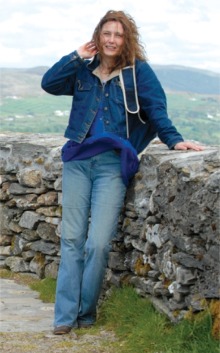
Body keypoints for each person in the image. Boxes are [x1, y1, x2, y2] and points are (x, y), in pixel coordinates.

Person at [41, 10, 204, 335]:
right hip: (76, 160)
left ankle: (85, 312)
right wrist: (76, 56)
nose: (112, 39)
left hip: (113, 165)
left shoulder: (137, 73)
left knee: (98, 244)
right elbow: (49, 83)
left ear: (126, 39)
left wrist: (175, 141)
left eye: (118, 34)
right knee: (72, 239)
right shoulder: (83, 71)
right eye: (107, 33)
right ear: (98, 37)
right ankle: (64, 317)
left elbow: (156, 109)